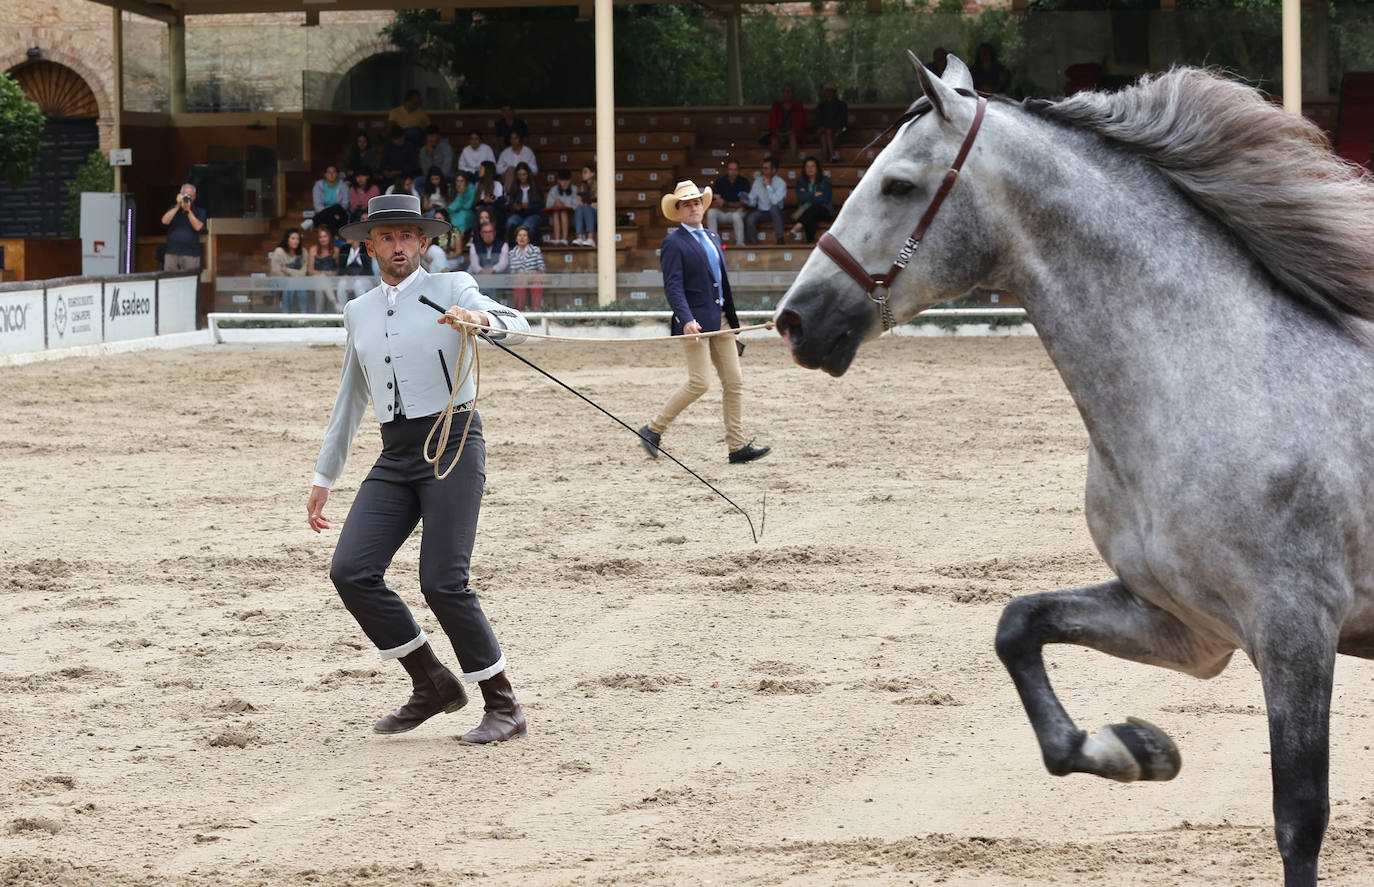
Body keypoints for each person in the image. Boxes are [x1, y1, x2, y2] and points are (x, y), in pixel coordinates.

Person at [306, 192, 530, 746]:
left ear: (424, 242)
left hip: (452, 440)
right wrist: (324, 476)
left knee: (442, 581)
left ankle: (503, 705)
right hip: (396, 452)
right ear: (371, 246)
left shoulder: (451, 287)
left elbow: (517, 323)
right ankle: (431, 682)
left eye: (408, 235)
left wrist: (481, 318)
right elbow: (349, 398)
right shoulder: (357, 312)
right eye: (387, 237)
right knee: (351, 570)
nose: (398, 246)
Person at [637, 181, 770, 466]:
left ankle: (736, 447)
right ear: (678, 210)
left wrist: (732, 326)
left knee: (734, 382)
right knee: (699, 383)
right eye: (687, 203)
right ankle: (653, 429)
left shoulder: (711, 235)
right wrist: (686, 319)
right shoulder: (673, 243)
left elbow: (722, 284)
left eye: (696, 202)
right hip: (694, 323)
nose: (694, 207)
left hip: (722, 321)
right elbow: (673, 287)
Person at [160, 183, 206, 273]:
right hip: (172, 252)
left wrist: (188, 210)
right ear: (180, 195)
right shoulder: (173, 209)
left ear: (194, 197)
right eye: (185, 195)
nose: (187, 198)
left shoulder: (199, 211)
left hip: (191, 253)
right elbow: (164, 221)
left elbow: (198, 227)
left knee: (190, 281)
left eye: (190, 196)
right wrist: (177, 206)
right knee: (169, 281)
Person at [791, 156, 834, 244]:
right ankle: (810, 243)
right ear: (804, 169)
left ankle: (798, 226)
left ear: (817, 168)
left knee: (815, 208)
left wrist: (808, 196)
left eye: (813, 166)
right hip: (804, 211)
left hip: (824, 211)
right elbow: (801, 197)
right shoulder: (801, 181)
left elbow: (825, 199)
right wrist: (814, 195)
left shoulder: (825, 181)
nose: (810, 169)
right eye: (807, 166)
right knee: (811, 217)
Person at [745, 157, 787, 246]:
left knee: (774, 208)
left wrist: (768, 187)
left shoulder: (781, 183)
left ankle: (780, 239)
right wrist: (747, 200)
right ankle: (752, 245)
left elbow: (775, 201)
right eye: (763, 168)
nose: (763, 171)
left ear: (774, 170)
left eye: (766, 168)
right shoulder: (757, 181)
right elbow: (752, 202)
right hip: (763, 212)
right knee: (751, 218)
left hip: (778, 212)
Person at [706, 159, 749, 246]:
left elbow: (744, 203)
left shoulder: (744, 182)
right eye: (730, 169)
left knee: (737, 216)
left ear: (738, 170)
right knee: (711, 213)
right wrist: (733, 206)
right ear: (727, 170)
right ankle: (713, 244)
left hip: (736, 213)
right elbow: (715, 204)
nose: (733, 172)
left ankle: (740, 244)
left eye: (735, 169)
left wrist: (726, 204)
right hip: (724, 213)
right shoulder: (720, 182)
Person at [269, 227, 309, 313]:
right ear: (287, 239)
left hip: (299, 282)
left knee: (299, 286)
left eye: (298, 239)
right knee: (289, 285)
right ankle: (285, 316)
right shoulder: (279, 251)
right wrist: (293, 277)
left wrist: (286, 270)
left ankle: (304, 317)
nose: (296, 241)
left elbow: (303, 273)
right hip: (280, 282)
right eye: (293, 238)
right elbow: (275, 271)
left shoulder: (303, 252)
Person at [504, 162, 543, 245]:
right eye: (519, 175)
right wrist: (516, 207)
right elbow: (510, 205)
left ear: (528, 174)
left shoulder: (535, 186)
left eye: (524, 174)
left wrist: (528, 207)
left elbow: (540, 205)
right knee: (510, 222)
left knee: (526, 226)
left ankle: (528, 249)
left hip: (534, 215)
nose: (522, 177)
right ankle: (511, 246)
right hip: (519, 214)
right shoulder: (514, 187)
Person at [508, 225, 546, 311]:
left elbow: (541, 268)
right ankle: (520, 311)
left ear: (528, 238)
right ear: (516, 238)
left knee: (537, 284)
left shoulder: (535, 250)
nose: (522, 238)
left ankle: (536, 311)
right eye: (519, 235)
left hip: (534, 278)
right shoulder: (512, 253)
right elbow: (512, 271)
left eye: (524, 235)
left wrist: (534, 273)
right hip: (520, 279)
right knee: (519, 283)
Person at [307, 224, 343, 313]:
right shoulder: (313, 250)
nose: (322, 239)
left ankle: (318, 315)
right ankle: (335, 304)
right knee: (322, 278)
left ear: (329, 237)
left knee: (320, 288)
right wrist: (323, 273)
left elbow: (338, 269)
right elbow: (310, 271)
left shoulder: (336, 250)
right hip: (314, 279)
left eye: (325, 236)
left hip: (331, 280)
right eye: (320, 237)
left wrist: (333, 273)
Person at [768, 83, 807, 161]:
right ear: (782, 93)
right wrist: (778, 133)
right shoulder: (776, 106)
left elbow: (800, 123)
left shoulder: (798, 106)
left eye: (790, 91)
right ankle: (774, 164)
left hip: (793, 134)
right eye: (786, 91)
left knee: (792, 137)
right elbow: (772, 123)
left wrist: (790, 132)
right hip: (779, 134)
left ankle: (793, 162)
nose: (787, 94)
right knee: (774, 141)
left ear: (793, 93)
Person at [544, 169, 579, 247]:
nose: (564, 183)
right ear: (558, 180)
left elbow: (576, 206)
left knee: (563, 212)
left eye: (567, 180)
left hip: (571, 218)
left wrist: (564, 206)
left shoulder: (575, 189)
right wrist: (555, 204)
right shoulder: (553, 190)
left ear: (570, 180)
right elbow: (548, 206)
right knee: (556, 211)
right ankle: (557, 239)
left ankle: (564, 239)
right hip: (555, 218)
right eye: (562, 180)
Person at [814, 84, 848, 163]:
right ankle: (829, 158)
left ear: (835, 92)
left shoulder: (841, 105)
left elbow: (842, 121)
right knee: (823, 135)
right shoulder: (821, 106)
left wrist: (828, 127)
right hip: (824, 132)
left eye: (831, 91)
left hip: (839, 132)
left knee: (827, 132)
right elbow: (818, 121)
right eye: (827, 91)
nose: (829, 93)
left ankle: (829, 157)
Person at [340, 226, 376, 302]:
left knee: (357, 284)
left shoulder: (365, 248)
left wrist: (355, 277)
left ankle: (363, 308)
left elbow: (368, 269)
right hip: (348, 278)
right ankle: (341, 309)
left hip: (365, 278)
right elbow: (341, 268)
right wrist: (346, 276)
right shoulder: (344, 249)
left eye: (348, 235)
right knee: (341, 284)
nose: (346, 237)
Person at [312, 165, 351, 233]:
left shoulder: (344, 186)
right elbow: (317, 206)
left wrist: (334, 212)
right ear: (325, 174)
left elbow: (345, 204)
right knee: (332, 218)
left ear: (337, 174)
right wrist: (331, 213)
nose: (331, 175)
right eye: (329, 172)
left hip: (339, 211)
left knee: (337, 208)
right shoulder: (318, 186)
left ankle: (312, 220)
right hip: (324, 213)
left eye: (334, 172)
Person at [446, 171, 477, 257]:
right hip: (453, 212)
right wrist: (459, 194)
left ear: (466, 181)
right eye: (457, 181)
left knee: (462, 218)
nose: (459, 183)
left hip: (467, 212)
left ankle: (457, 249)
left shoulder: (471, 188)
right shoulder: (451, 188)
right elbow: (450, 208)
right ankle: (450, 247)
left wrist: (460, 195)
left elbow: (468, 206)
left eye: (462, 181)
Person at [422, 207, 461, 272]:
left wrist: (443, 256)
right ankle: (444, 271)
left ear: (445, 219)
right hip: (431, 257)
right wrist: (428, 258)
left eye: (439, 218)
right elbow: (423, 249)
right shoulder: (432, 231)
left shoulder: (454, 231)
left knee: (435, 264)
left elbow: (458, 252)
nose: (437, 220)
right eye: (435, 218)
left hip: (450, 258)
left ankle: (438, 276)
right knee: (435, 248)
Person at [474, 161, 506, 231]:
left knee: (488, 209)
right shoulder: (477, 184)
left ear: (487, 170)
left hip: (496, 213)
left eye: (481, 168)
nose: (478, 170)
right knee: (480, 210)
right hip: (480, 212)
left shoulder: (497, 184)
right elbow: (475, 204)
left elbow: (502, 204)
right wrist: (484, 201)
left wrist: (491, 202)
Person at [379, 126, 415, 190]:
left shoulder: (409, 147)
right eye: (394, 139)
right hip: (389, 177)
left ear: (402, 137)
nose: (396, 141)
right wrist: (385, 172)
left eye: (398, 138)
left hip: (404, 176)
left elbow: (413, 166)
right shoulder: (388, 146)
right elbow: (383, 163)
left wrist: (399, 172)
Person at [572, 164, 597, 247]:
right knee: (579, 208)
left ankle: (590, 238)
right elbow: (579, 201)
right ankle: (580, 237)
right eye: (582, 172)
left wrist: (589, 205)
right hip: (585, 212)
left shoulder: (599, 185)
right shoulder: (582, 187)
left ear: (592, 174)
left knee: (587, 208)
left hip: (598, 214)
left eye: (585, 172)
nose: (583, 174)